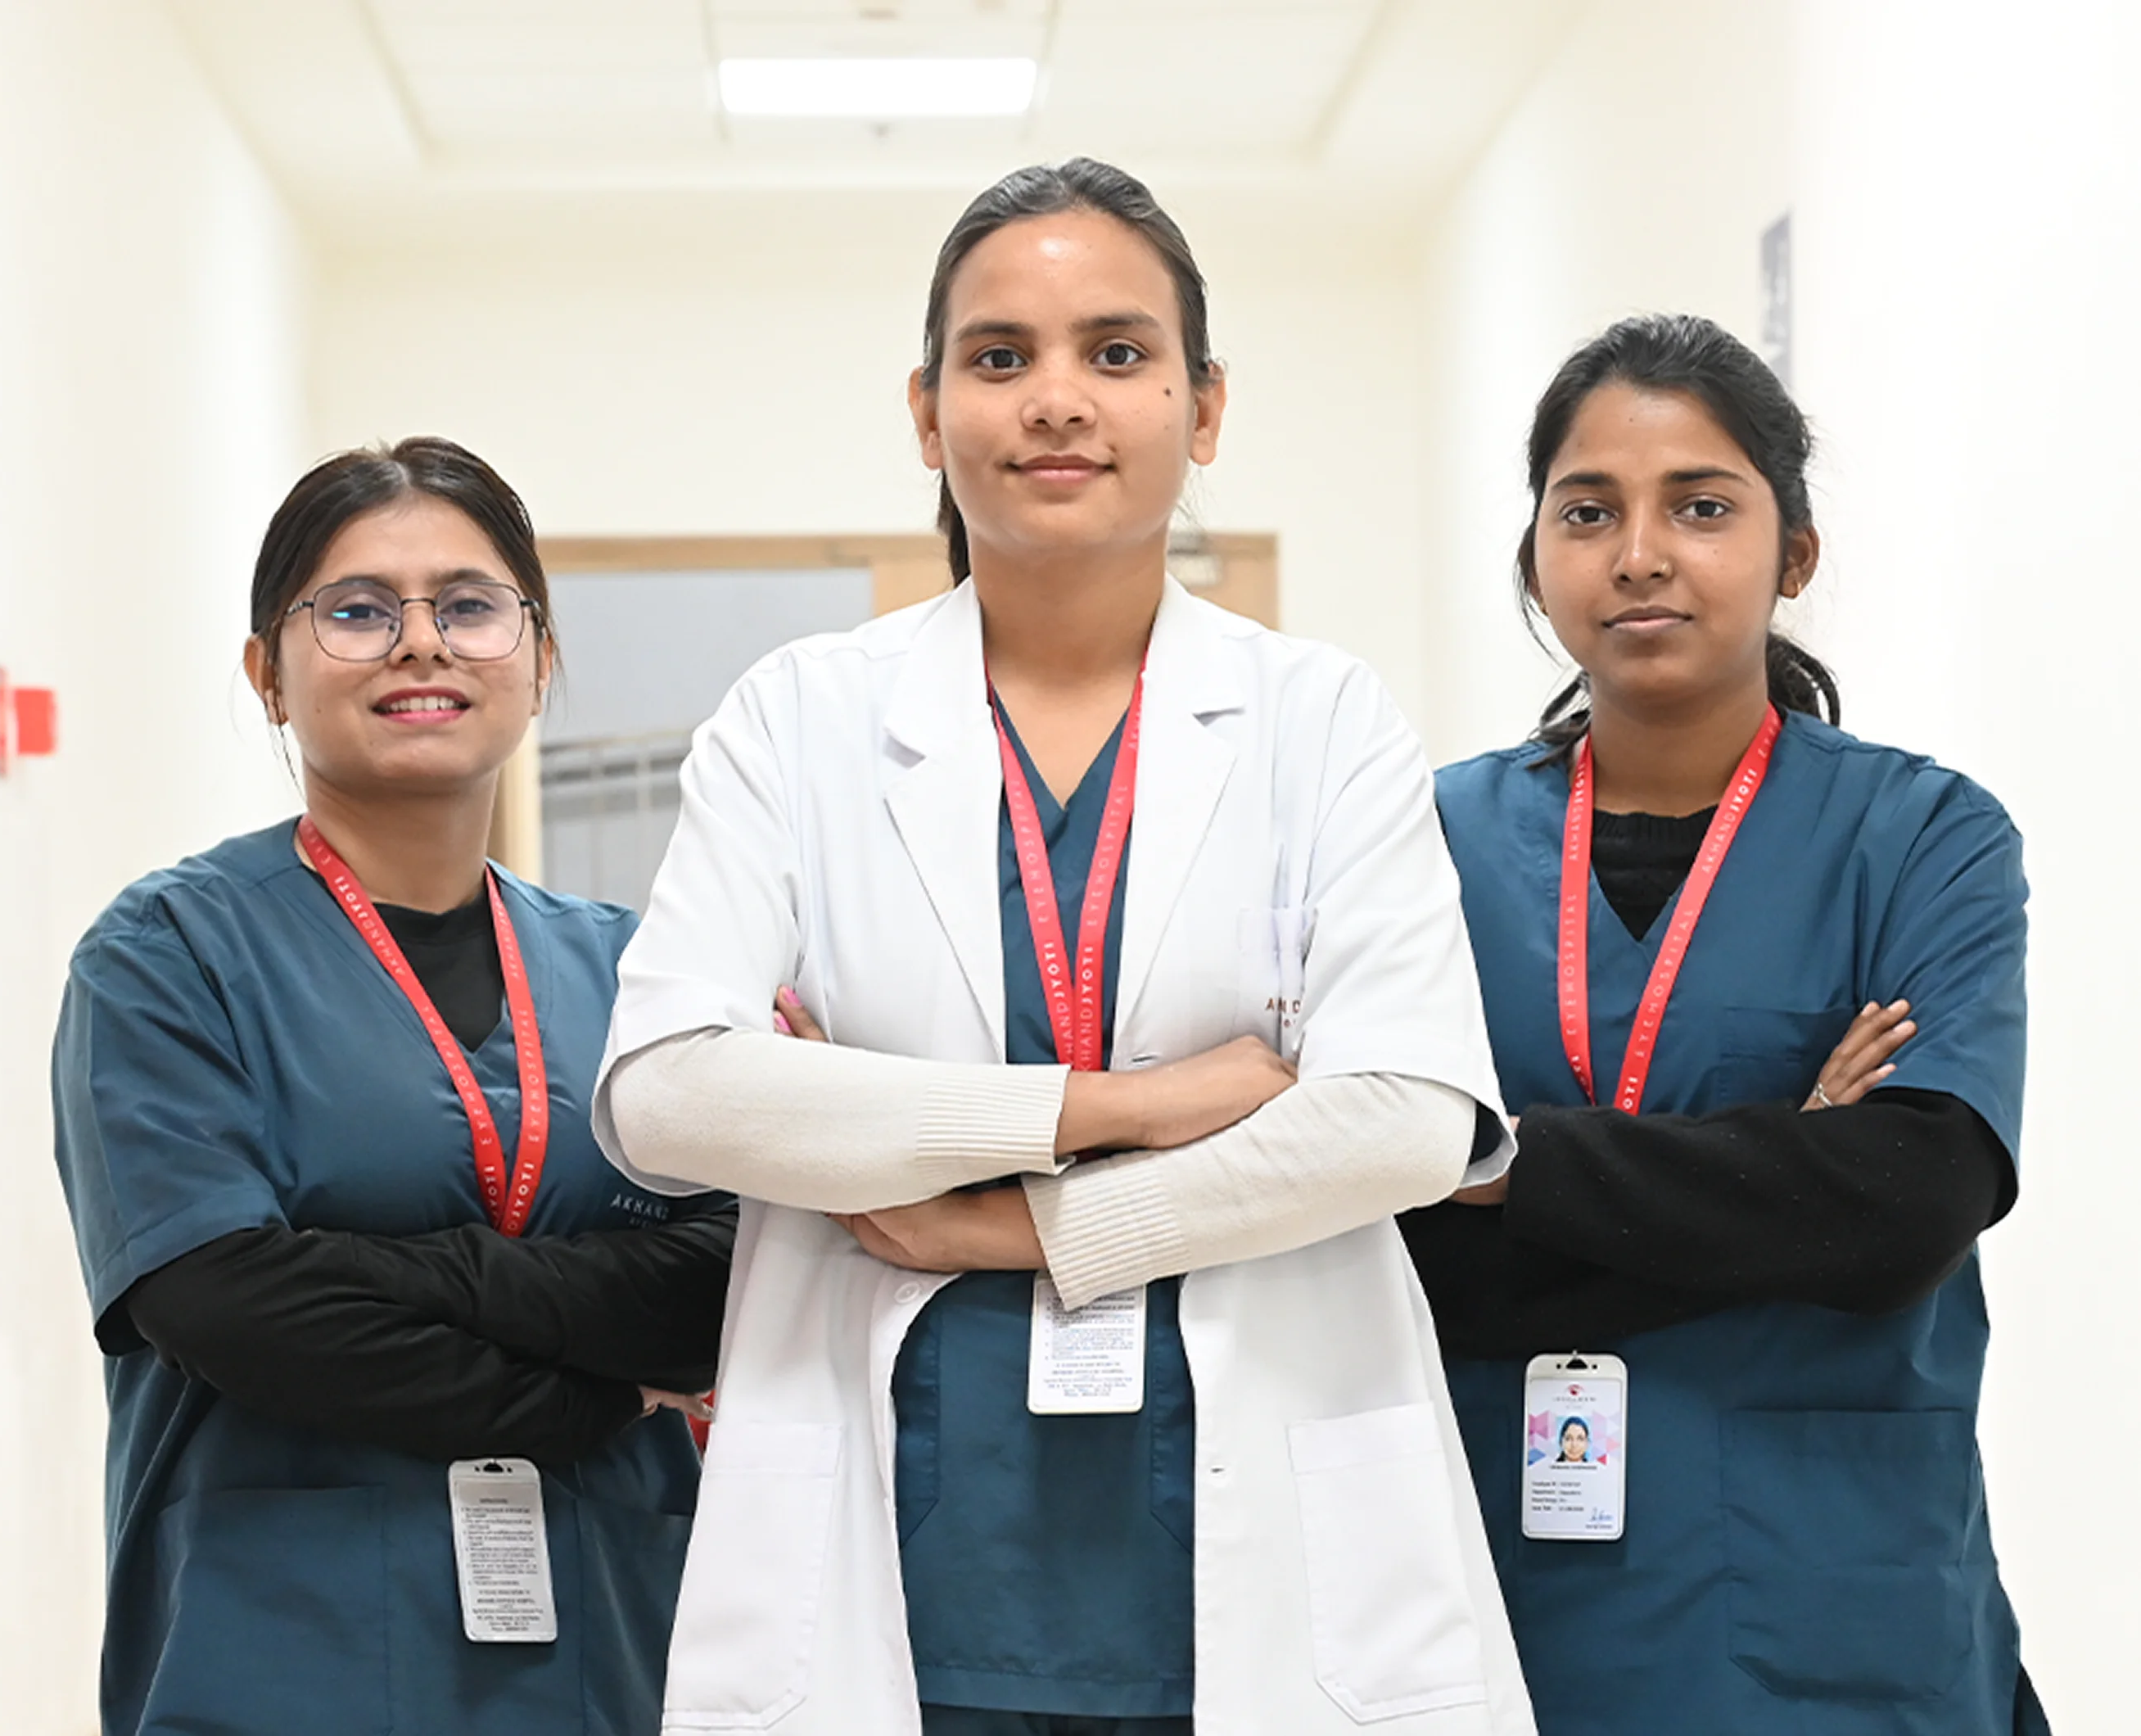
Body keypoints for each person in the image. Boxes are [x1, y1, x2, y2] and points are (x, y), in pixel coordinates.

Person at [593, 159, 1534, 1735]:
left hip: (1267, 1538)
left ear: (1204, 406)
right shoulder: (802, 718)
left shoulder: (1321, 720)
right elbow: (672, 1096)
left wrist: (1012, 1227)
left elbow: (1409, 1117)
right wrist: (1120, 1109)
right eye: (999, 356)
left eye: (1117, 352)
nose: (1056, 402)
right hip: (900, 1538)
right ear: (925, 410)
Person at [1405, 314, 2048, 1734]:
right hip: (1497, 1584)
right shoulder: (1420, 843)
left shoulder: (1924, 837)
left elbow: (1905, 1204)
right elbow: (1388, 1248)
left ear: (1793, 555)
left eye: (1702, 505)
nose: (1641, 552)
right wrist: (1782, 1176)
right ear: (1534, 561)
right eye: (1589, 512)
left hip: (1832, 1589)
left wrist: (1498, 1161)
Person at [51, 438, 736, 1736]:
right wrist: (593, 1395)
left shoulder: (640, 970)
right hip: (280, 1656)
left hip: (617, 1653)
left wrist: (391, 1273)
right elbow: (226, 1302)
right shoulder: (168, 958)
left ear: (538, 658)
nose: (420, 643)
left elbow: (726, 1279)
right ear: (268, 672)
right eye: (357, 611)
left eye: (470, 606)